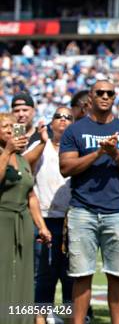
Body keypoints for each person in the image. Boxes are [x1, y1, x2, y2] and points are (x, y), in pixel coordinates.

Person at [59, 80, 119, 324]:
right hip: (82, 210)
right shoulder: (74, 130)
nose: (105, 96)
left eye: (110, 93)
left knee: (116, 275)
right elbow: (66, 168)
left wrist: (115, 153)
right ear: (90, 99)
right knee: (81, 275)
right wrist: (98, 152)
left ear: (114, 98)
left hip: (118, 211)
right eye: (100, 93)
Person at [0, 112, 51, 323]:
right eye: (5, 127)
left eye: (13, 126)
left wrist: (42, 226)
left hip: (23, 223)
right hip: (2, 221)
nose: (10, 130)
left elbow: (31, 195)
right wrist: (7, 152)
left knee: (23, 274)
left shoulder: (22, 159)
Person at [32, 107, 74, 324]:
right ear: (51, 121)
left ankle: (69, 317)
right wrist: (40, 142)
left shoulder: (78, 149)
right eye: (59, 116)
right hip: (45, 219)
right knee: (44, 274)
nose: (63, 120)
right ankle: (40, 317)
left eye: (68, 117)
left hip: (71, 221)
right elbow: (26, 171)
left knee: (70, 275)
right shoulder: (42, 147)